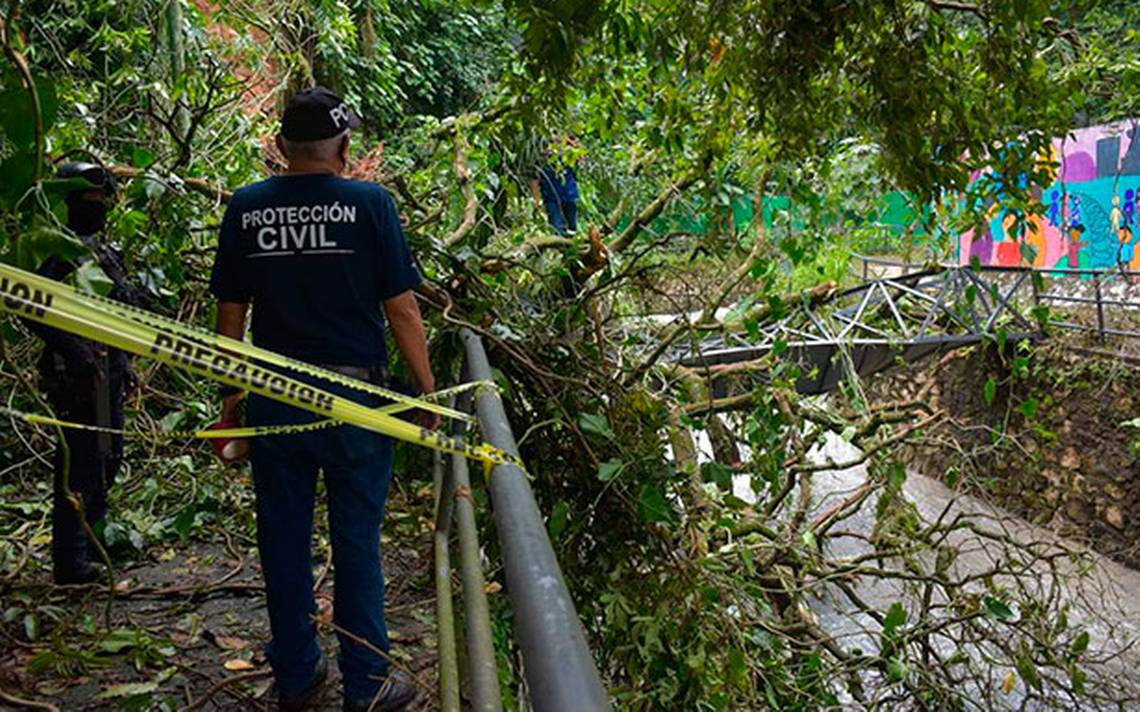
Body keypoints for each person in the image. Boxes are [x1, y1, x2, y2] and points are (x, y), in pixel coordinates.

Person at [209, 87, 434, 712]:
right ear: (345, 147)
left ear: (280, 147)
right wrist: (427, 393)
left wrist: (231, 400)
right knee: (357, 539)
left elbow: (231, 315)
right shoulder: (370, 204)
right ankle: (367, 683)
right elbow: (402, 308)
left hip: (275, 397)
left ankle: (297, 676)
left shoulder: (247, 207)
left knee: (281, 537)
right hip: (355, 397)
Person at [28, 161, 137, 585]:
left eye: (102, 197)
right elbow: (34, 311)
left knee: (109, 459)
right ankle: (71, 561)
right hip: (73, 376)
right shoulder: (55, 252)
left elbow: (117, 312)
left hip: (106, 370)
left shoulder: (99, 249)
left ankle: (95, 542)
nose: (99, 205)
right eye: (89, 198)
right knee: (79, 466)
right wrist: (75, 353)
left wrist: (125, 363)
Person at [530, 134, 580, 235]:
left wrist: (573, 145)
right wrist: (537, 200)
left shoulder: (568, 154)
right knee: (557, 229)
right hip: (551, 198)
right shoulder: (542, 158)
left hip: (569, 195)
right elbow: (534, 179)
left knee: (572, 228)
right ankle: (560, 247)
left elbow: (580, 158)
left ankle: (572, 246)